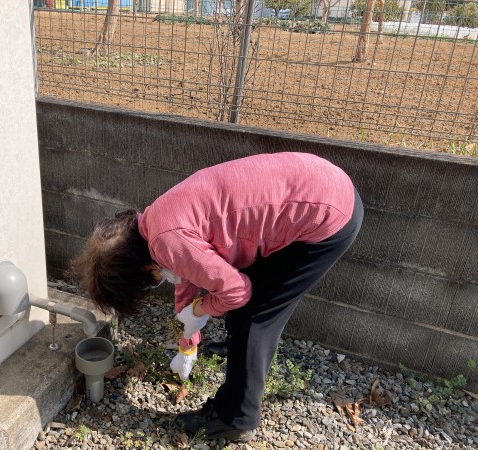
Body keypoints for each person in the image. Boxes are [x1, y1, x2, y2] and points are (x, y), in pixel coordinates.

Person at [71, 152, 364, 442]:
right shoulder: (153, 223)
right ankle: (238, 349)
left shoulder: (168, 242)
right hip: (314, 183)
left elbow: (237, 292)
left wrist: (200, 311)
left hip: (325, 215)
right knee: (242, 297)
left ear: (141, 269)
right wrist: (189, 334)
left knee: (254, 317)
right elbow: (186, 269)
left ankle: (235, 418)